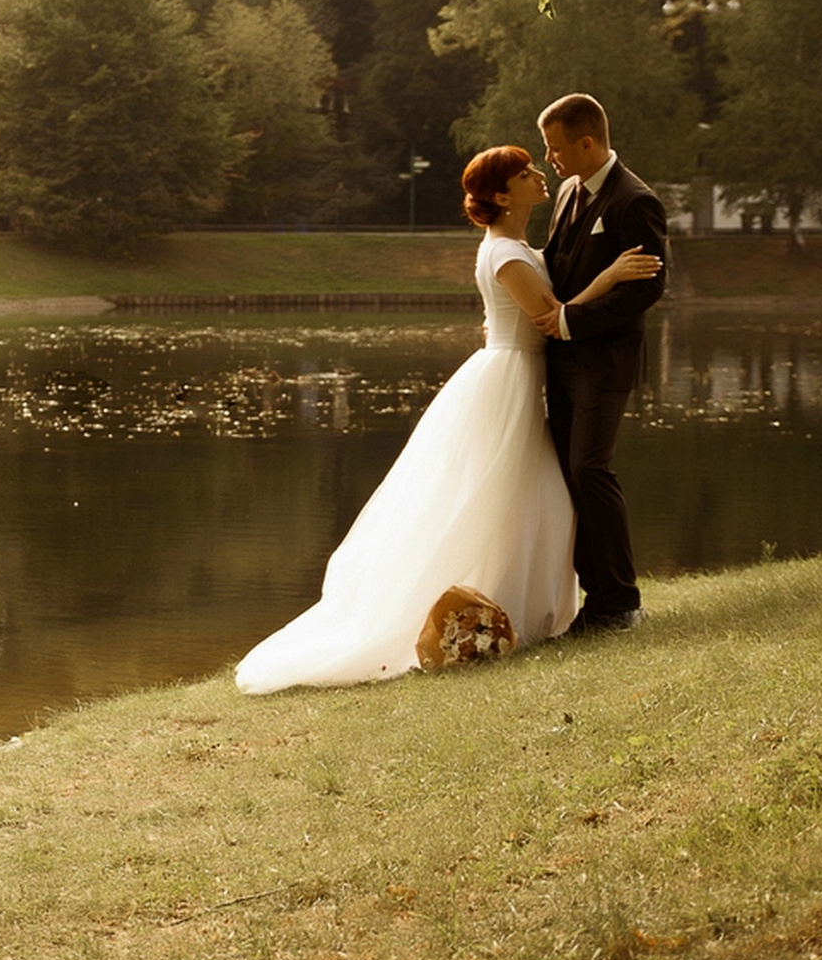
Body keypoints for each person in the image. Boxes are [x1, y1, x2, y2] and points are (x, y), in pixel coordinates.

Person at [234, 145, 660, 694]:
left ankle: (522, 607)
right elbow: (551, 320)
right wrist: (612, 276)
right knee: (500, 494)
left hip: (520, 373)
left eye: (536, 166)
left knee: (534, 496)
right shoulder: (505, 254)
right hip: (510, 377)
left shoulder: (519, 245)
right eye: (526, 172)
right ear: (502, 196)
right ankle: (491, 607)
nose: (538, 175)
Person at [531, 93, 670, 633]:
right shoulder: (568, 192)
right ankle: (594, 600)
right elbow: (559, 268)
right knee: (570, 474)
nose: (551, 160)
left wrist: (571, 323)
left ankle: (620, 602)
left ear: (586, 142)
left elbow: (649, 288)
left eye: (556, 148)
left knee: (591, 469)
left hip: (605, 362)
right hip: (562, 361)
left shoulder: (635, 201)